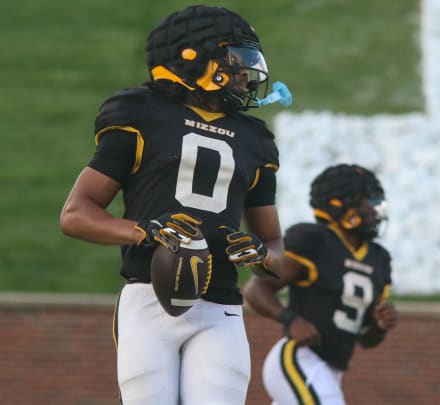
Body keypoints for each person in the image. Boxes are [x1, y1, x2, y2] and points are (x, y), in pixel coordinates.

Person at [59, 5, 286, 404]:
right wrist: (145, 230)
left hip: (221, 306)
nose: (245, 74)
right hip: (148, 297)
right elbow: (77, 214)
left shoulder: (255, 138)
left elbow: (275, 243)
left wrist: (263, 254)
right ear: (192, 57)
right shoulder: (141, 114)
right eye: (234, 60)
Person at [243, 163, 398, 405]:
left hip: (333, 370)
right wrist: (291, 320)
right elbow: (255, 289)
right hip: (299, 359)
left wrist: (379, 326)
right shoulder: (315, 241)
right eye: (366, 202)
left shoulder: (379, 259)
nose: (374, 210)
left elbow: (367, 339)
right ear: (340, 205)